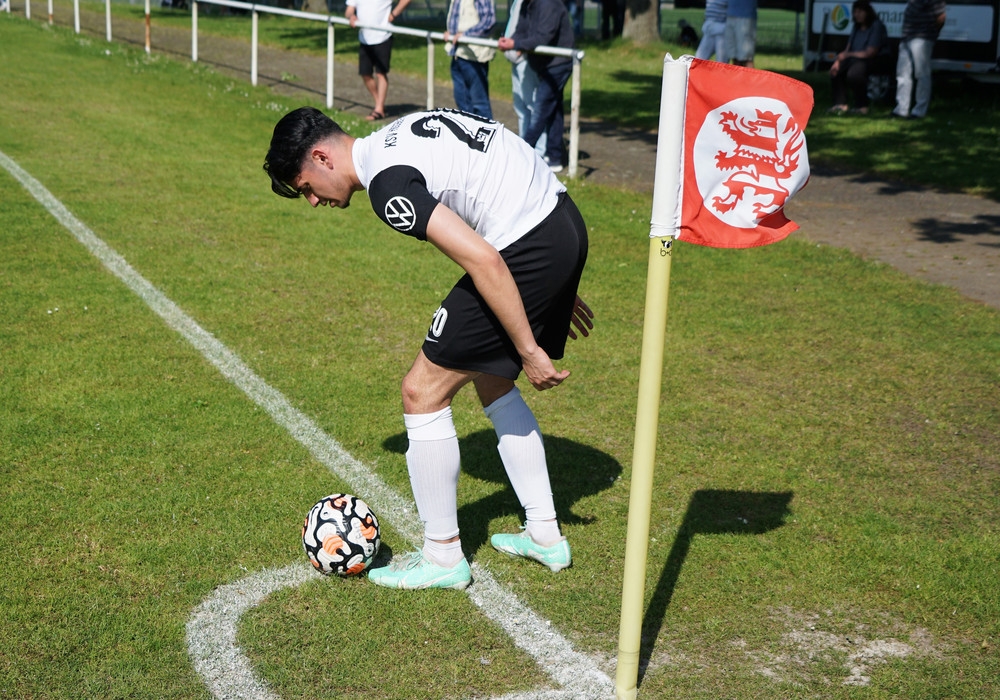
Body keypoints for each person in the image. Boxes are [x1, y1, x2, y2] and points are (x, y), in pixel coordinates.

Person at [263, 107, 593, 590]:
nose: (313, 201)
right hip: (561, 221)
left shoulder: (387, 186)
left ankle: (442, 557)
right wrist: (553, 275)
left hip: (529, 244)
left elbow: (482, 258)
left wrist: (529, 346)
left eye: (307, 187)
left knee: (421, 392)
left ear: (321, 157)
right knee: (490, 378)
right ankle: (544, 533)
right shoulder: (395, 135)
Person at [498, 0, 575, 173]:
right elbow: (521, 30)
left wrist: (515, 45)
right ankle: (554, 157)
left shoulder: (548, 4)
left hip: (558, 64)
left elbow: (544, 37)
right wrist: (511, 41)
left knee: (541, 109)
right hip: (545, 64)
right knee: (554, 110)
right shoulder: (527, 3)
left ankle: (522, 154)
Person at [345, 0, 412, 121]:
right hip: (364, 38)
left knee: (381, 73)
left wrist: (393, 15)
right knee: (365, 74)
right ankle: (379, 103)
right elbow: (349, 10)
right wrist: (351, 16)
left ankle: (379, 109)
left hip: (383, 36)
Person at [828, 0, 890, 115]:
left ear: (867, 12)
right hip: (856, 58)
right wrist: (838, 61)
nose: (857, 14)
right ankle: (840, 104)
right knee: (836, 71)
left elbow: (870, 52)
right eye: (855, 12)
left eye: (860, 12)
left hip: (876, 59)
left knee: (855, 73)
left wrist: (849, 55)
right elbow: (848, 49)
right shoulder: (856, 27)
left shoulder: (876, 26)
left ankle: (862, 106)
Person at [504, 0, 547, 157]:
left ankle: (539, 151)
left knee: (532, 105)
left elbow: (534, 27)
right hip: (515, 57)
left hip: (525, 58)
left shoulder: (533, 3)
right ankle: (525, 147)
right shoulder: (518, 2)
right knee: (521, 106)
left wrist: (520, 46)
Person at [443, 0, 497, 119]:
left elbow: (488, 22)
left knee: (479, 104)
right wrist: (451, 33)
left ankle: (486, 131)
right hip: (458, 53)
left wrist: (465, 35)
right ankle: (468, 130)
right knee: (462, 102)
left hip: (474, 56)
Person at [893, 0, 946, 119]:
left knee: (922, 75)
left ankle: (919, 111)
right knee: (902, 74)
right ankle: (901, 109)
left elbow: (941, 17)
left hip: (922, 38)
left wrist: (931, 33)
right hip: (907, 37)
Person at [725, 0, 757, 68]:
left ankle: (750, 75)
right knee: (734, 57)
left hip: (745, 15)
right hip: (730, 14)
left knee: (747, 58)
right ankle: (737, 75)